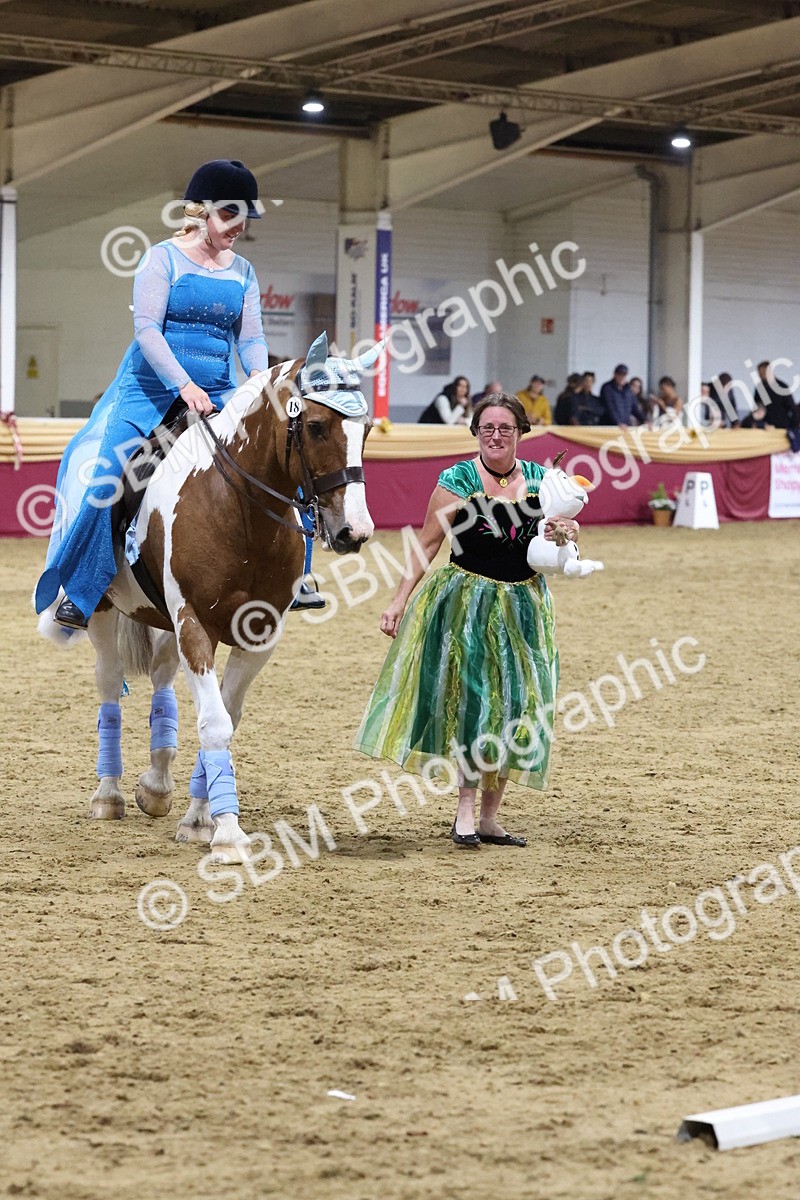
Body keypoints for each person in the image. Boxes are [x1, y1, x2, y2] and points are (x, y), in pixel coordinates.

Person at [35, 159, 270, 630]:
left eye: (245, 217)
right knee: (107, 484)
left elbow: (250, 339)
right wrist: (183, 385)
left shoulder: (243, 271)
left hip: (219, 390)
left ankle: (292, 579)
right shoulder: (160, 258)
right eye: (229, 215)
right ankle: (82, 591)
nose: (238, 226)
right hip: (150, 390)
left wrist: (258, 386)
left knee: (278, 457)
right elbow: (146, 329)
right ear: (201, 211)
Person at [355, 392, 578, 849]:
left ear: (520, 433)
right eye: (487, 428)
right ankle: (463, 811)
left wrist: (567, 532)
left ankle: (492, 818)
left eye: (505, 428)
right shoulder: (456, 479)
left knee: (517, 706)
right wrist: (398, 601)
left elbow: (558, 537)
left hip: (525, 607)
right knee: (473, 705)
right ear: (475, 432)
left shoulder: (542, 480)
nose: (496, 435)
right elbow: (426, 545)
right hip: (466, 605)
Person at [753, 360, 799, 430]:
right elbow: (757, 407)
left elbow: (792, 408)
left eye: (762, 373)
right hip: (765, 427)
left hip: (782, 427)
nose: (760, 376)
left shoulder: (782, 387)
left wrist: (792, 427)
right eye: (759, 374)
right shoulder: (760, 388)